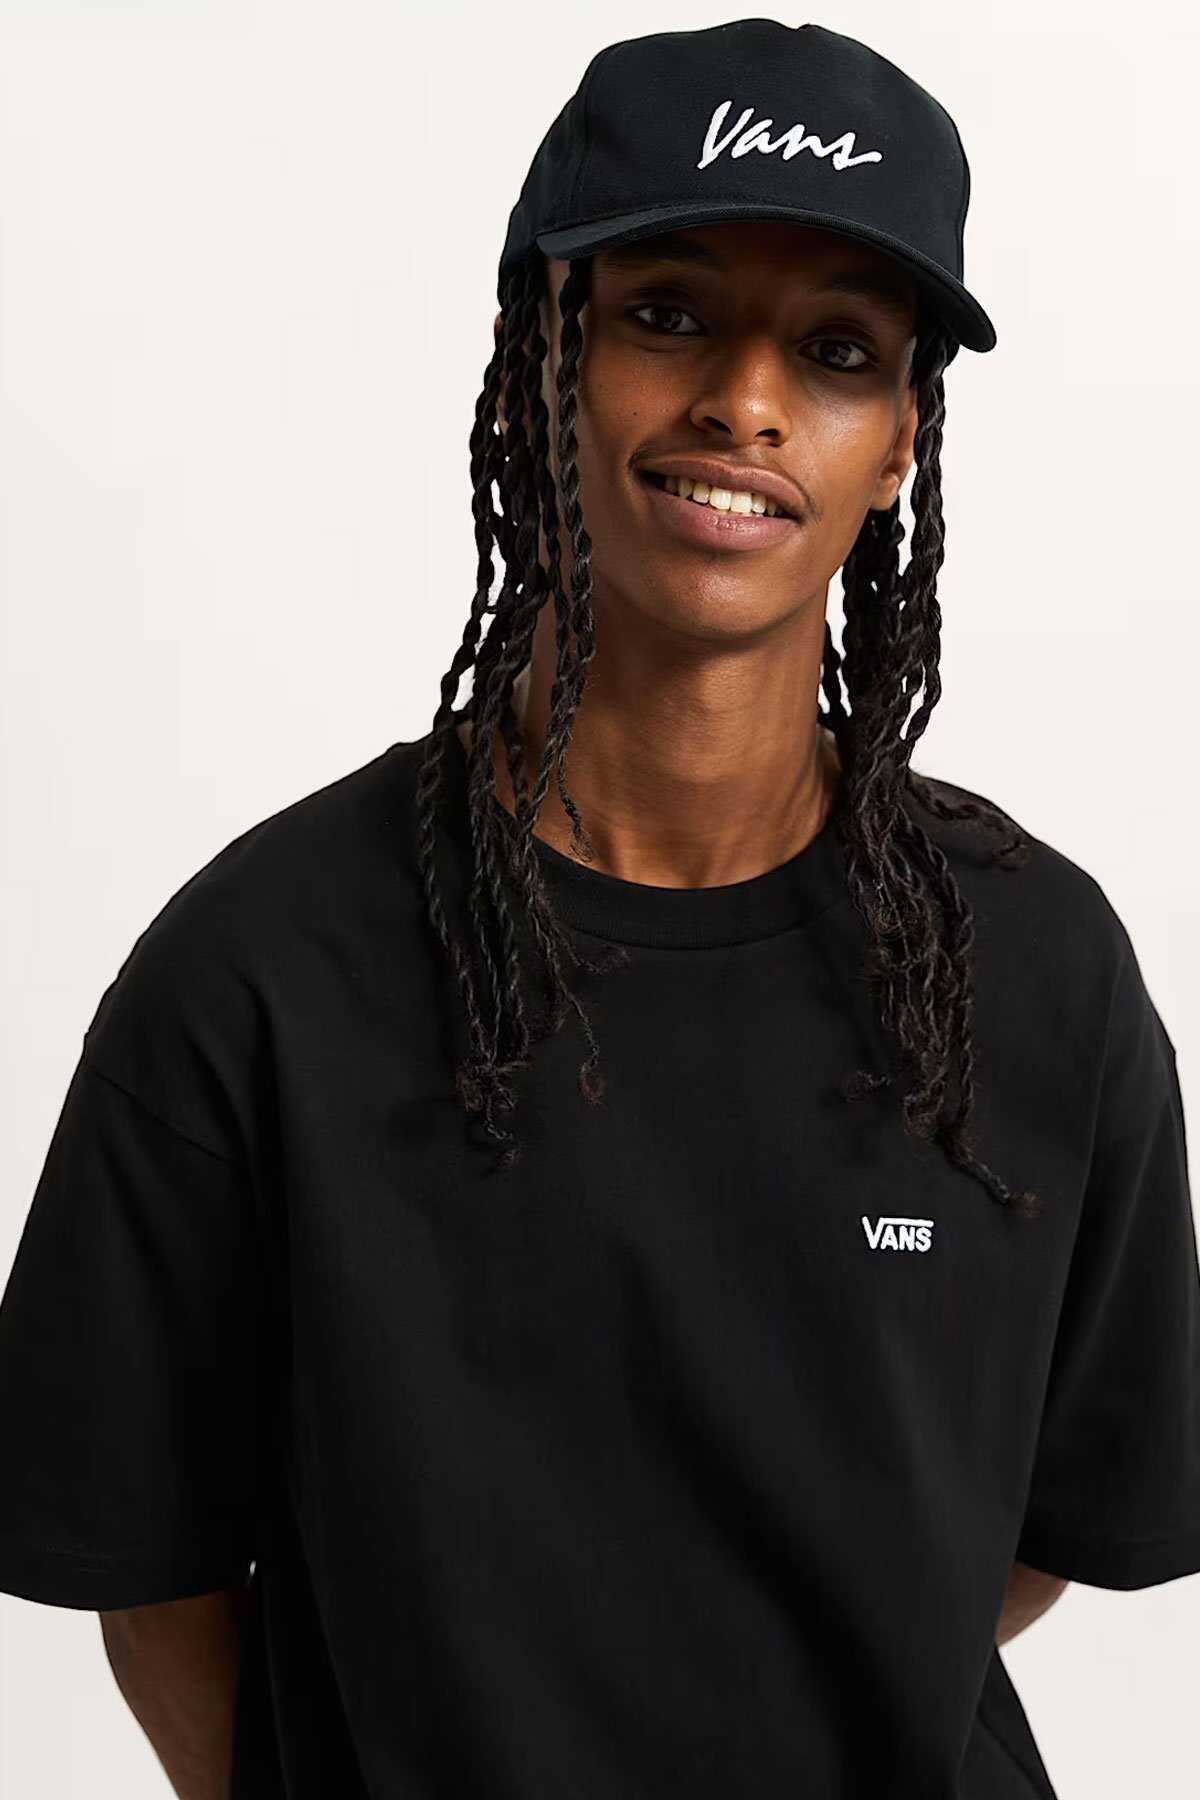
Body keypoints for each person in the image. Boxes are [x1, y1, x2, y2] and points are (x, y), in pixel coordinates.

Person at [0, 19, 1197, 1799]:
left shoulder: (1034, 971)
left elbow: (1019, 1540)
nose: (746, 402)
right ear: (532, 359)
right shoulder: (258, 975)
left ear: (898, 442)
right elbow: (152, 1577)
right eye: (667, 314)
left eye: (838, 350)